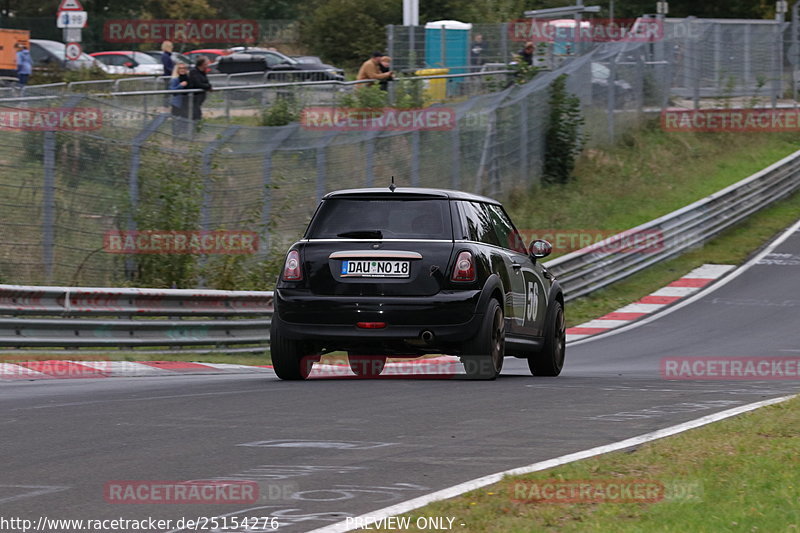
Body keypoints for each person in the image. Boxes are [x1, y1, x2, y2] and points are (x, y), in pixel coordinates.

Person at [186, 56, 212, 122]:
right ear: (202, 64)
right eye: (206, 64)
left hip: (201, 96)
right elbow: (197, 84)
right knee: (195, 112)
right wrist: (208, 86)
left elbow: (206, 82)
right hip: (194, 96)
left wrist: (208, 86)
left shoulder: (203, 72)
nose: (208, 65)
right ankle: (194, 125)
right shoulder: (193, 72)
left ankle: (197, 125)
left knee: (197, 110)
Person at [169, 62, 190, 135]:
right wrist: (180, 86)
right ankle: (175, 135)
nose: (182, 70)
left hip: (186, 103)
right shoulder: (175, 79)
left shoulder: (188, 78)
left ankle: (185, 134)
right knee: (176, 120)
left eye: (184, 68)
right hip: (177, 104)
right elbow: (172, 91)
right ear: (177, 70)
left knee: (186, 120)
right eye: (180, 68)